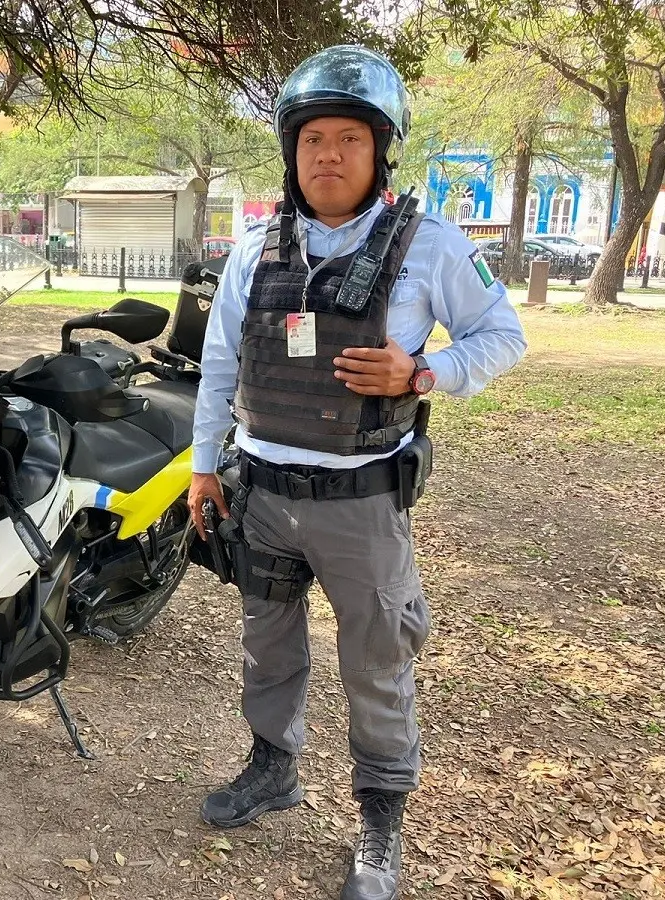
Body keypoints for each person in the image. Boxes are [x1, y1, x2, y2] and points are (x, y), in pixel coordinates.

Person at [188, 45, 526, 900]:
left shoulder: (430, 244)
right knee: (267, 652)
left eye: (347, 138)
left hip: (362, 503)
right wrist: (202, 470)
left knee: (377, 663)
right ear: (291, 151)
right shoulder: (255, 250)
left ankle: (380, 823)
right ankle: (273, 768)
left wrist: (423, 375)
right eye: (312, 140)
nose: (327, 156)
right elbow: (221, 366)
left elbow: (503, 336)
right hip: (262, 496)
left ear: (381, 150)